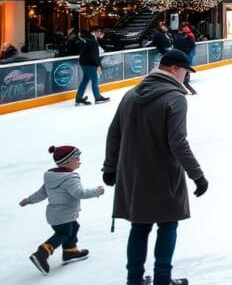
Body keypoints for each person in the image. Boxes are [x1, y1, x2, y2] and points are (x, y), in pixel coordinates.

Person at [102, 49, 207, 285]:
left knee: (139, 227)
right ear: (173, 68)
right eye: (184, 71)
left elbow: (113, 133)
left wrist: (110, 168)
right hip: (163, 174)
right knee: (168, 225)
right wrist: (198, 175)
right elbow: (178, 142)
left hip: (133, 174)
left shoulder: (131, 93)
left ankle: (134, 280)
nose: (185, 77)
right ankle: (162, 279)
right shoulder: (175, 97)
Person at [21, 145, 105, 276]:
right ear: (68, 161)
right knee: (63, 234)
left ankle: (70, 251)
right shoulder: (70, 178)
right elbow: (79, 193)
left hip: (55, 215)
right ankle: (42, 253)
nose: (79, 160)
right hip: (64, 215)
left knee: (74, 227)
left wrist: (29, 200)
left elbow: (41, 193)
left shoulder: (51, 177)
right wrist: (97, 191)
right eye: (77, 158)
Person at [76, 29, 110, 105]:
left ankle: (78, 98)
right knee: (95, 80)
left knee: (85, 80)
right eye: (101, 35)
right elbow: (94, 55)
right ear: (98, 32)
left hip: (83, 62)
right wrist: (98, 65)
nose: (101, 37)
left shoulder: (87, 38)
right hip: (90, 64)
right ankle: (98, 98)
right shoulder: (92, 41)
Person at [171, 26, 197, 95]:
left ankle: (184, 89)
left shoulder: (177, 38)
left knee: (180, 76)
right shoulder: (187, 38)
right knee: (184, 76)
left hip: (179, 58)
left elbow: (175, 47)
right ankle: (188, 89)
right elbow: (192, 45)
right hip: (183, 57)